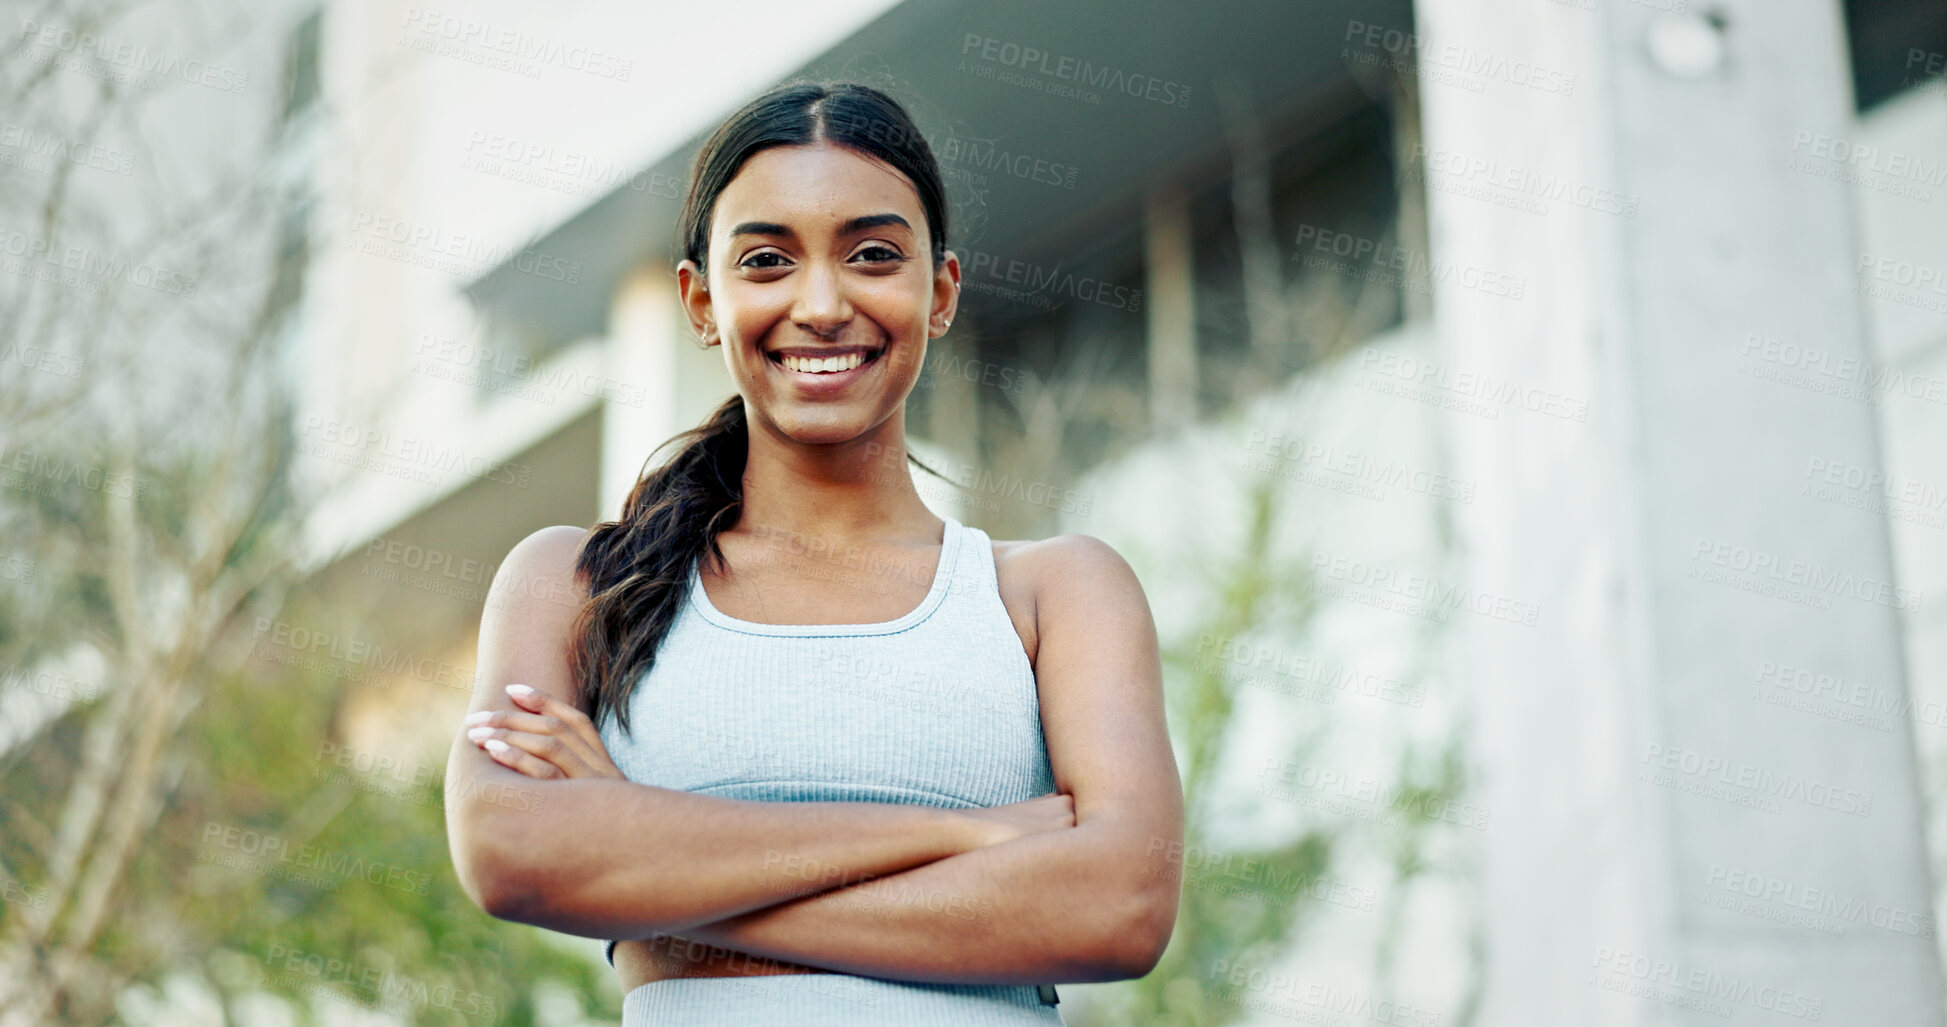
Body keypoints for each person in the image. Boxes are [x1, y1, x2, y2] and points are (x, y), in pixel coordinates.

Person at [443, 80, 1184, 1026]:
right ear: (701, 301)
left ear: (940, 291)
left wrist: (665, 896)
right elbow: (513, 854)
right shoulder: (576, 584)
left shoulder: (1058, 593)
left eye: (873, 254)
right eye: (765, 261)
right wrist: (964, 837)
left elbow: (1119, 905)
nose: (823, 304)